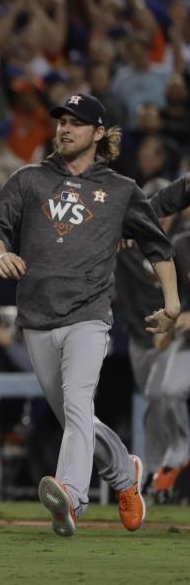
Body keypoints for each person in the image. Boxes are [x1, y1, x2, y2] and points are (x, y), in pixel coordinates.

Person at [0, 93, 180, 537]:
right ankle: (125, 474)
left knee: (77, 403)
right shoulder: (29, 179)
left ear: (98, 134)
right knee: (75, 417)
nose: (64, 129)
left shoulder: (123, 190)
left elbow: (157, 247)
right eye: (61, 121)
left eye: (76, 122)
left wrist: (172, 302)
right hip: (35, 316)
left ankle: (70, 494)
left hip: (89, 315)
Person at [118, 176, 190, 495]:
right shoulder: (128, 240)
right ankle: (157, 475)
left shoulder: (181, 242)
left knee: (166, 393)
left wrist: (177, 321)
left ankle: (169, 462)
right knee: (156, 396)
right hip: (143, 334)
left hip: (176, 336)